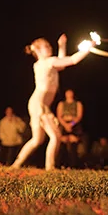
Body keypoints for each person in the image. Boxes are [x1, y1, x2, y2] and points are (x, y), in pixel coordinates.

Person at [11, 33, 95, 170]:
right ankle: (50, 167)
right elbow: (73, 60)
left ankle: (16, 164)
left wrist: (62, 46)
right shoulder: (48, 62)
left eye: (50, 46)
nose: (49, 48)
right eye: (46, 46)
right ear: (37, 50)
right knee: (55, 136)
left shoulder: (41, 64)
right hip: (39, 105)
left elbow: (61, 65)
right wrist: (88, 48)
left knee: (37, 140)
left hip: (37, 104)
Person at [56, 89, 84, 168]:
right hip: (64, 124)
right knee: (63, 144)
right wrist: (65, 125)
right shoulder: (61, 104)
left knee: (73, 145)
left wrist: (71, 124)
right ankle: (62, 164)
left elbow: (79, 116)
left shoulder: (78, 104)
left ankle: (73, 165)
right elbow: (59, 116)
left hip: (74, 125)